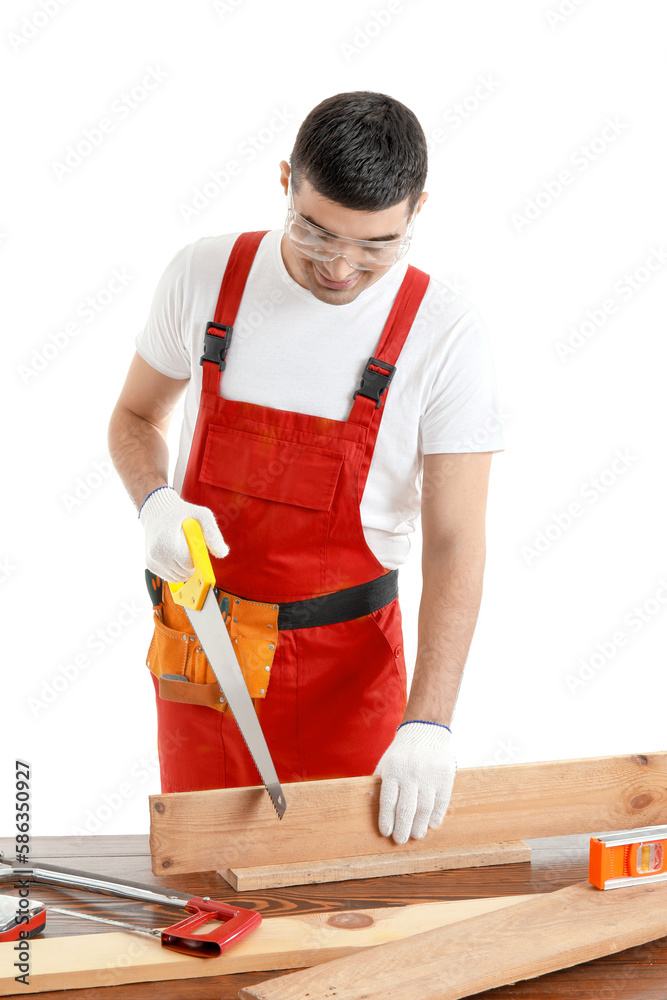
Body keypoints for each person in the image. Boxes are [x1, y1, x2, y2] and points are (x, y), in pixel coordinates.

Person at [108, 90, 504, 846]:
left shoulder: (444, 332)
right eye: (317, 232)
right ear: (286, 180)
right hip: (204, 657)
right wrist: (155, 501)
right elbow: (134, 419)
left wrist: (430, 723)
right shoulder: (204, 274)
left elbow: (457, 543)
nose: (343, 266)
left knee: (348, 912)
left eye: (377, 246)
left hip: (346, 676)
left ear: (418, 209)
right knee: (201, 887)